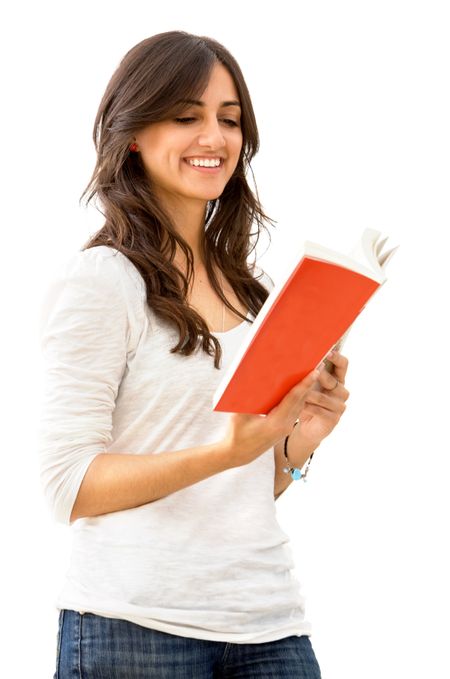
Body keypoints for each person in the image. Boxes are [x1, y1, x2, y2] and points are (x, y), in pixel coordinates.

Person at [38, 30, 349, 679]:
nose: (214, 137)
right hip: (133, 628)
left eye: (229, 119)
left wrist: (298, 445)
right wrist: (223, 451)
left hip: (268, 621)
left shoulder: (245, 289)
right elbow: (68, 486)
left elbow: (239, 488)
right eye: (186, 116)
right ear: (132, 133)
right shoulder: (103, 280)